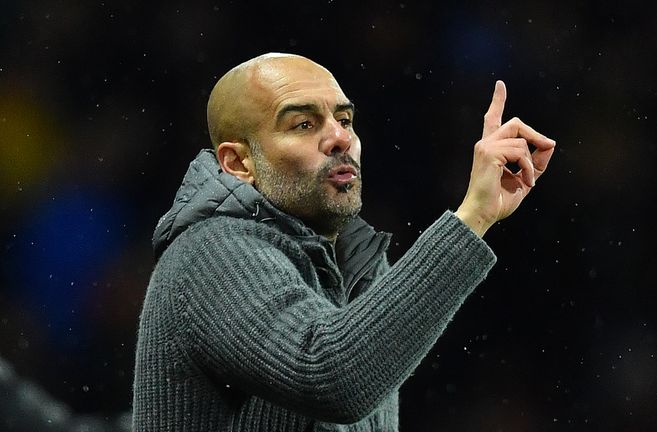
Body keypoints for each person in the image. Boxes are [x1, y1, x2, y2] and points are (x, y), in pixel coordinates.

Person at [132, 52, 555, 431]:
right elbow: (332, 376)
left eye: (345, 120)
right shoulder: (211, 253)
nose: (340, 138)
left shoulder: (359, 263)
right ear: (239, 162)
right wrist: (472, 216)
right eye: (303, 124)